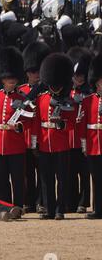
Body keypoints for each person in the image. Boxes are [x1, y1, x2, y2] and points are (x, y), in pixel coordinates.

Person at [31, 53, 77, 220]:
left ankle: (60, 209)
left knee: (62, 179)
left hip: (61, 144)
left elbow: (72, 123)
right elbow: (37, 122)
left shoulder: (69, 101)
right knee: (45, 179)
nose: (55, 88)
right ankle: (49, 209)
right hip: (44, 143)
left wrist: (62, 124)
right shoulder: (42, 98)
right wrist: (35, 142)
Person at [0, 47, 31, 210]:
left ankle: (18, 206)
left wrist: (18, 126)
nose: (11, 80)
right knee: (1, 179)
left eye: (13, 78)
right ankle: (5, 207)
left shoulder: (22, 98)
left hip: (16, 143)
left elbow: (29, 119)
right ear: (3, 79)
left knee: (18, 179)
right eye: (8, 78)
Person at [19, 41, 51, 213]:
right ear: (27, 73)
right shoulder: (22, 90)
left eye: (39, 71)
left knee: (43, 173)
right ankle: (29, 201)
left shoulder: (46, 91)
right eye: (33, 71)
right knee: (27, 172)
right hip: (25, 136)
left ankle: (41, 201)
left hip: (41, 136)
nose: (36, 74)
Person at [67, 47, 92, 214]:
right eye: (76, 75)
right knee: (70, 172)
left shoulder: (90, 93)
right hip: (69, 138)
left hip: (85, 138)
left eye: (82, 75)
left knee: (84, 173)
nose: (79, 78)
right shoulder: (67, 93)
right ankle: (72, 201)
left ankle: (83, 202)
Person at [80, 54, 102, 219]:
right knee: (96, 179)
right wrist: (84, 146)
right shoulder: (88, 100)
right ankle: (98, 209)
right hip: (93, 144)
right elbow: (82, 125)